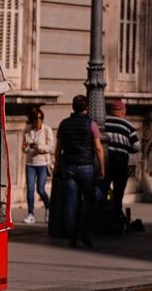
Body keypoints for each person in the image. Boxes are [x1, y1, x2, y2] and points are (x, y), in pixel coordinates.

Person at [55, 94, 105, 248]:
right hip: (86, 167)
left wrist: (57, 165)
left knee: (71, 201)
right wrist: (102, 169)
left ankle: (72, 236)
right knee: (89, 200)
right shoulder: (91, 124)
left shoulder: (64, 124)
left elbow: (58, 149)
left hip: (69, 166)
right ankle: (84, 231)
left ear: (73, 107)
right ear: (86, 108)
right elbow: (98, 148)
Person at [104, 100, 141, 230]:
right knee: (118, 192)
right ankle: (116, 220)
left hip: (105, 160)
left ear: (110, 111)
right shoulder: (128, 125)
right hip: (120, 160)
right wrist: (125, 148)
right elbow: (136, 147)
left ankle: (103, 218)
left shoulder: (102, 122)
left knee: (103, 188)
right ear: (123, 112)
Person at [22, 107, 54, 224]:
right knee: (30, 189)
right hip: (30, 163)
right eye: (35, 118)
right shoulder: (27, 130)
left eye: (40, 118)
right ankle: (30, 214)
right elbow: (24, 149)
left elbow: (50, 148)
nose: (38, 120)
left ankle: (48, 208)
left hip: (42, 163)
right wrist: (25, 147)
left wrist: (38, 147)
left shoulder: (47, 130)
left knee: (40, 189)